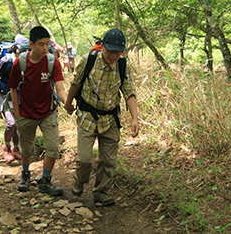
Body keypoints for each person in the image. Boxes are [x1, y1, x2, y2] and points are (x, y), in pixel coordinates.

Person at [64, 28, 140, 206]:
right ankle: (79, 182)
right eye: (110, 51)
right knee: (84, 159)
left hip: (110, 119)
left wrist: (135, 118)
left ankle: (101, 192)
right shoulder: (88, 60)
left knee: (108, 161)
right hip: (87, 116)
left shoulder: (123, 65)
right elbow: (76, 83)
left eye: (117, 52)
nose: (113, 56)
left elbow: (130, 92)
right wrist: (68, 104)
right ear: (102, 47)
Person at [7, 26, 67, 196]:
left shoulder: (52, 62)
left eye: (47, 44)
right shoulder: (20, 62)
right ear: (31, 44)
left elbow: (60, 89)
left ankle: (45, 181)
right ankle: (25, 175)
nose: (45, 48)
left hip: (48, 111)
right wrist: (17, 114)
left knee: (53, 148)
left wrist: (68, 103)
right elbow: (13, 89)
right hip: (25, 113)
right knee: (26, 149)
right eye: (41, 44)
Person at [0, 45, 21, 163]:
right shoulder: (6, 61)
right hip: (3, 95)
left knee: (18, 123)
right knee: (11, 122)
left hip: (17, 95)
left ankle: (16, 147)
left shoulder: (24, 60)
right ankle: (6, 147)